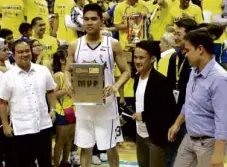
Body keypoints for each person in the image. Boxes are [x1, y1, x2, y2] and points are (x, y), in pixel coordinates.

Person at [65, 3, 131, 167]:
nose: (89, 22)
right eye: (86, 19)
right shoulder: (75, 45)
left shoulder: (113, 44)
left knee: (110, 147)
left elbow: (127, 71)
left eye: (94, 19)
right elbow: (67, 70)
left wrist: (115, 86)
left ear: (102, 20)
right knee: (85, 147)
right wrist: (67, 84)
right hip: (83, 106)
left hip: (106, 106)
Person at [168, 29, 227, 167]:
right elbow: (189, 101)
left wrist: (219, 153)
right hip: (189, 138)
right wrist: (177, 123)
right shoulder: (194, 71)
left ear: (200, 49)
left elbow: (223, 118)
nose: (185, 54)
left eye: (188, 50)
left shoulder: (220, 79)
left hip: (209, 144)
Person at [0, 40, 56, 167]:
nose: (24, 54)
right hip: (21, 128)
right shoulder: (8, 76)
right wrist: (5, 125)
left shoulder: (43, 70)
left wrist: (52, 109)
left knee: (46, 162)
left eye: (27, 51)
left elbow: (51, 91)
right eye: (20, 52)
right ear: (13, 55)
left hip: (44, 125)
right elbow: (2, 102)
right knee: (24, 163)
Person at [132, 40, 177, 167]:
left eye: (141, 58)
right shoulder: (136, 78)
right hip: (140, 134)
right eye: (135, 57)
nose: (137, 61)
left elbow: (167, 112)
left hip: (156, 138)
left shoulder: (161, 81)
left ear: (152, 59)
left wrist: (144, 116)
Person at [166, 18, 198, 167]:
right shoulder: (174, 57)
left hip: (190, 116)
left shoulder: (197, 59)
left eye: (179, 34)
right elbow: (170, 84)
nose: (175, 37)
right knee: (171, 155)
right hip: (173, 113)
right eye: (174, 33)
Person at [53, 49, 76, 167]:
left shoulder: (73, 74)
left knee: (69, 140)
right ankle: (56, 164)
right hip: (61, 111)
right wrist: (67, 88)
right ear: (62, 60)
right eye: (69, 56)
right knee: (60, 142)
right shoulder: (58, 76)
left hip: (72, 110)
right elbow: (52, 95)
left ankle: (65, 163)